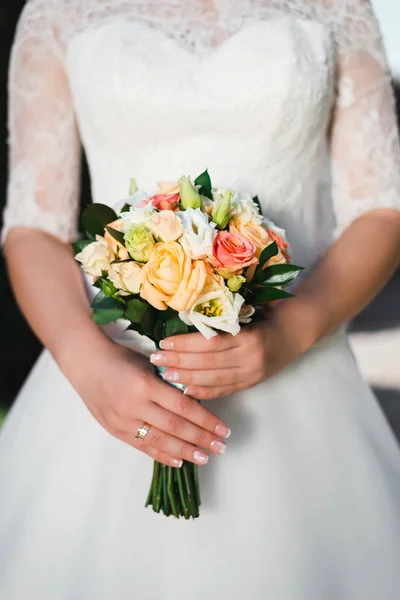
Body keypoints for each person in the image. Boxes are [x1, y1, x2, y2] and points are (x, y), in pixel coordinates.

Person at [1, 1, 400, 598]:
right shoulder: (57, 11)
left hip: (297, 372)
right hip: (111, 378)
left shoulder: (340, 6)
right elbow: (34, 227)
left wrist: (292, 330)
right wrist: (87, 364)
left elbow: (382, 208)